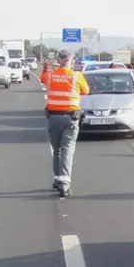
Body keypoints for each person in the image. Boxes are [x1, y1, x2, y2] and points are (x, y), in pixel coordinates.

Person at [44, 49, 90, 197]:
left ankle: (57, 179)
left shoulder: (51, 75)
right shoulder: (77, 76)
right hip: (70, 118)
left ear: (59, 59)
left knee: (56, 149)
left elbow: (43, 77)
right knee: (67, 150)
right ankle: (64, 183)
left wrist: (46, 68)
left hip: (53, 117)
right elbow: (86, 91)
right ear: (71, 60)